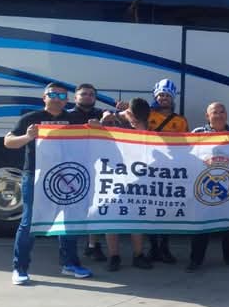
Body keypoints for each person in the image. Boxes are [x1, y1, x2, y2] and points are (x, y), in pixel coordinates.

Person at [5, 83, 93, 285]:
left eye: (62, 95)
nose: (57, 98)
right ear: (44, 97)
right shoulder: (31, 118)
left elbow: (93, 138)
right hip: (35, 175)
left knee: (68, 220)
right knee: (29, 222)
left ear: (67, 100)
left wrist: (98, 126)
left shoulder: (75, 119)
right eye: (52, 94)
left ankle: (70, 264)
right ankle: (20, 268)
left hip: (67, 176)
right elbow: (8, 142)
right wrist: (28, 136)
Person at [187, 102, 229, 272]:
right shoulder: (197, 133)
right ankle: (195, 260)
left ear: (226, 114)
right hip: (203, 186)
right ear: (207, 116)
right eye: (214, 112)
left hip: (227, 187)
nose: (218, 115)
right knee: (200, 225)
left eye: (222, 111)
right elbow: (184, 153)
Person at [102, 97, 153, 271]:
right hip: (111, 174)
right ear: (128, 112)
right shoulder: (110, 119)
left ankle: (138, 255)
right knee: (111, 217)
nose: (137, 122)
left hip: (135, 174)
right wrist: (104, 121)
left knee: (136, 216)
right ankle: (114, 256)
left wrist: (138, 124)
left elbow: (145, 140)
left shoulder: (142, 120)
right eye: (135, 118)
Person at [67, 83, 112, 263]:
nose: (87, 96)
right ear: (75, 97)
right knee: (73, 208)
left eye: (91, 94)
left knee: (94, 207)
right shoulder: (67, 116)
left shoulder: (101, 114)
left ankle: (93, 245)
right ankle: (68, 250)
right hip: (72, 168)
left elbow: (114, 126)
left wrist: (104, 120)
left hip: (96, 167)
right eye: (84, 94)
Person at [145, 78, 189, 264]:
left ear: (172, 99)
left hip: (170, 170)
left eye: (167, 96)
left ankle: (164, 247)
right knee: (150, 208)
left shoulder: (180, 121)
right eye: (161, 95)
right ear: (156, 96)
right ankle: (153, 248)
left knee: (167, 208)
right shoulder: (146, 115)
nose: (164, 98)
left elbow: (186, 146)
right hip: (149, 168)